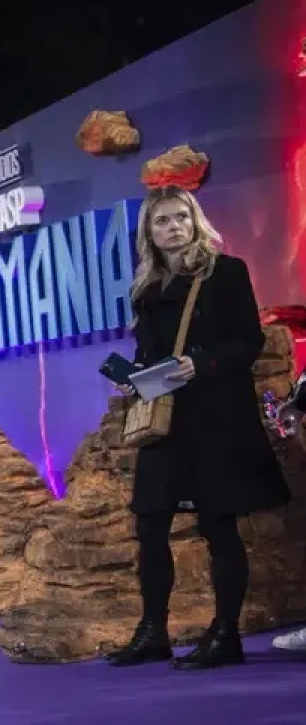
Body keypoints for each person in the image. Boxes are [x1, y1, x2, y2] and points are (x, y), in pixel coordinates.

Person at [106, 186, 290, 670]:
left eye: (180, 218)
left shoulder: (226, 272)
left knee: (218, 525)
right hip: (165, 421)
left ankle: (225, 634)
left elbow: (247, 341)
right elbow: (150, 352)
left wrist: (200, 363)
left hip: (217, 419)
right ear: (149, 231)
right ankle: (152, 633)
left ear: (195, 221)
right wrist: (135, 380)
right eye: (162, 221)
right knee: (149, 523)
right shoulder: (146, 288)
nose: (173, 227)